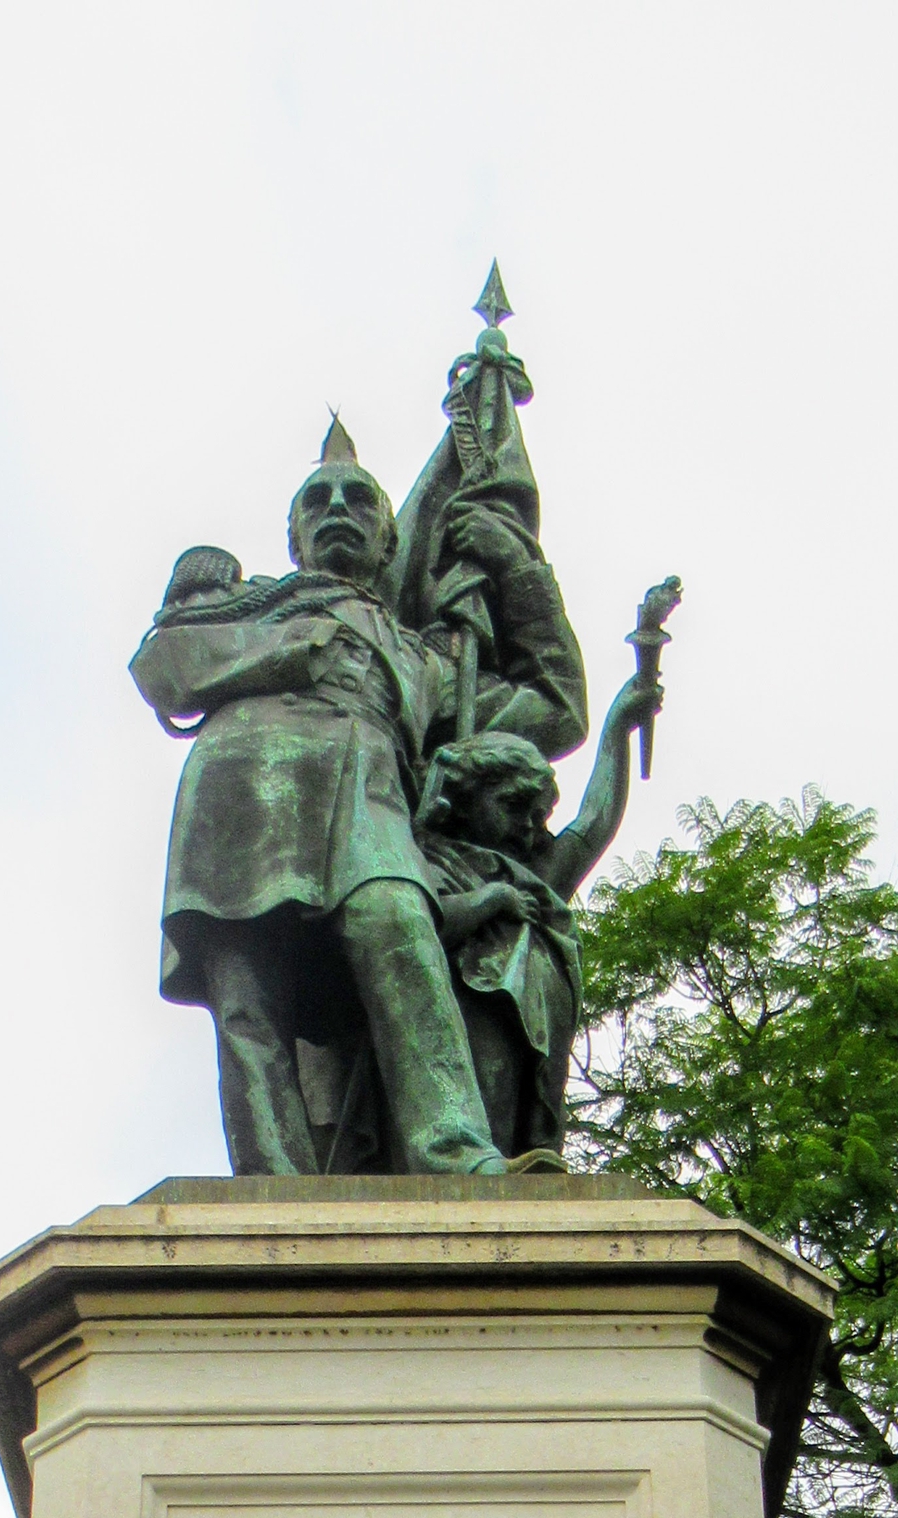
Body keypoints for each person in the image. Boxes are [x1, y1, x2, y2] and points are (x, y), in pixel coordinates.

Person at [130, 423, 587, 1179]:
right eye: (317, 500)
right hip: (242, 786)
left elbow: (555, 707)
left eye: (357, 501)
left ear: (387, 542)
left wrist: (512, 565)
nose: (336, 507)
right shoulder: (252, 604)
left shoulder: (422, 656)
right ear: (296, 536)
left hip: (368, 797)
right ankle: (272, 1181)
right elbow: (164, 666)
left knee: (398, 928)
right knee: (249, 998)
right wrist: (294, 647)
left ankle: (455, 1153)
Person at [415, 669, 660, 1166]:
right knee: (484, 1096)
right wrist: (491, 901)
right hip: (467, 1004)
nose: (528, 827)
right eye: (511, 806)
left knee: (513, 1108)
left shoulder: (535, 873)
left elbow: (593, 824)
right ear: (463, 801)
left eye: (538, 814)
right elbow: (420, 927)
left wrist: (616, 728)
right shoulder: (425, 858)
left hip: (536, 1031)